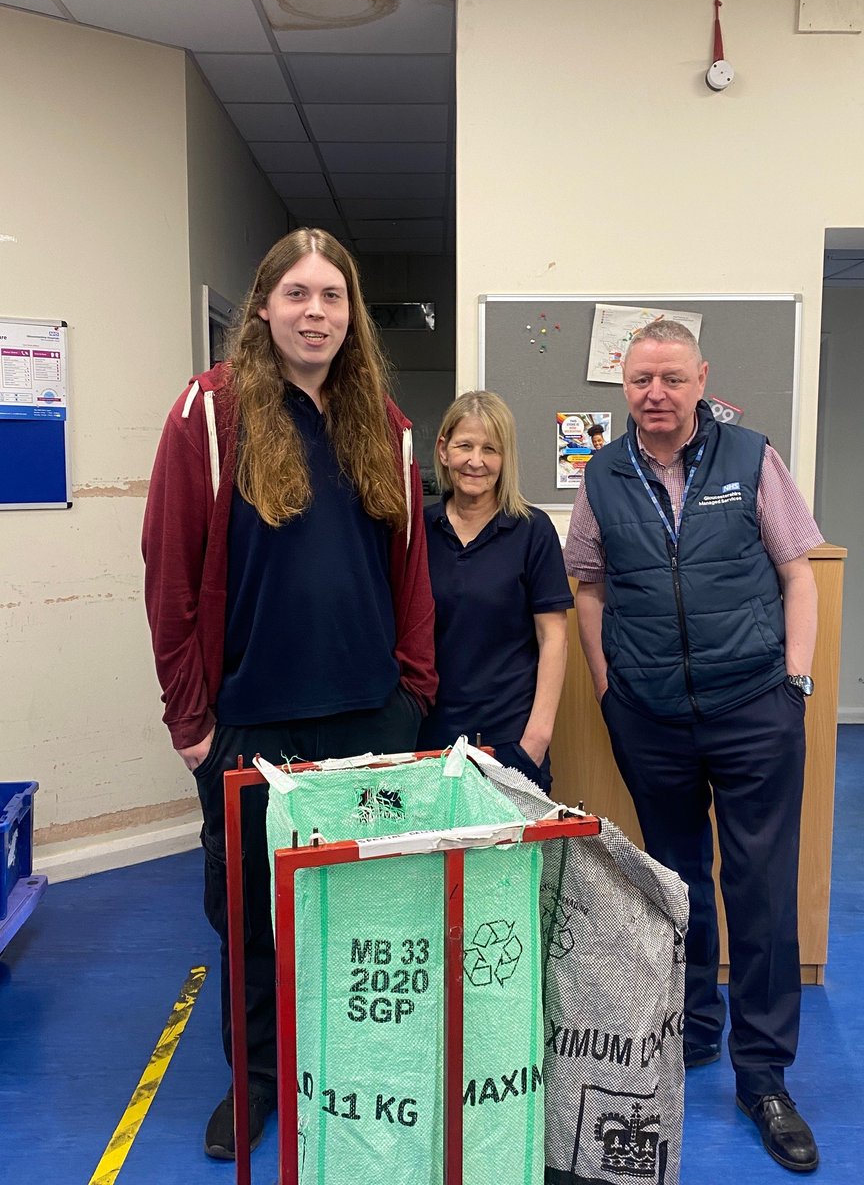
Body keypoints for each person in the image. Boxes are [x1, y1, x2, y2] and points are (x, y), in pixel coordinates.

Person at [142, 228, 437, 1159]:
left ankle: (349, 1073)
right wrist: (195, 727)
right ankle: (259, 1081)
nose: (317, 313)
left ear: (353, 316)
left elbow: (410, 573)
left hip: (368, 723)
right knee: (252, 927)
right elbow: (169, 574)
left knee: (361, 915)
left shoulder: (380, 424)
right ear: (264, 306)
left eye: (335, 297)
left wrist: (413, 695)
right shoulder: (210, 413)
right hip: (250, 733)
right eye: (299, 294)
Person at [564, 321, 822, 1174]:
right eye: (640, 380)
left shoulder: (751, 456)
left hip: (753, 709)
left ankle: (765, 1077)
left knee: (760, 890)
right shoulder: (601, 473)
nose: (655, 394)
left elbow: (798, 572)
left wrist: (797, 683)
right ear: (623, 386)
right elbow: (590, 586)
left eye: (672, 378)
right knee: (673, 886)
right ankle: (694, 1034)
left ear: (701, 376)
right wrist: (607, 685)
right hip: (651, 715)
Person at [417, 391, 571, 792]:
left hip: (510, 741)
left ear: (505, 459)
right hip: (428, 741)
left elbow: (553, 638)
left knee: (511, 856)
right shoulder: (417, 531)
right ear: (443, 450)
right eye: (464, 445)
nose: (476, 461)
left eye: (490, 449)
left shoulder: (532, 531)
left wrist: (535, 742)